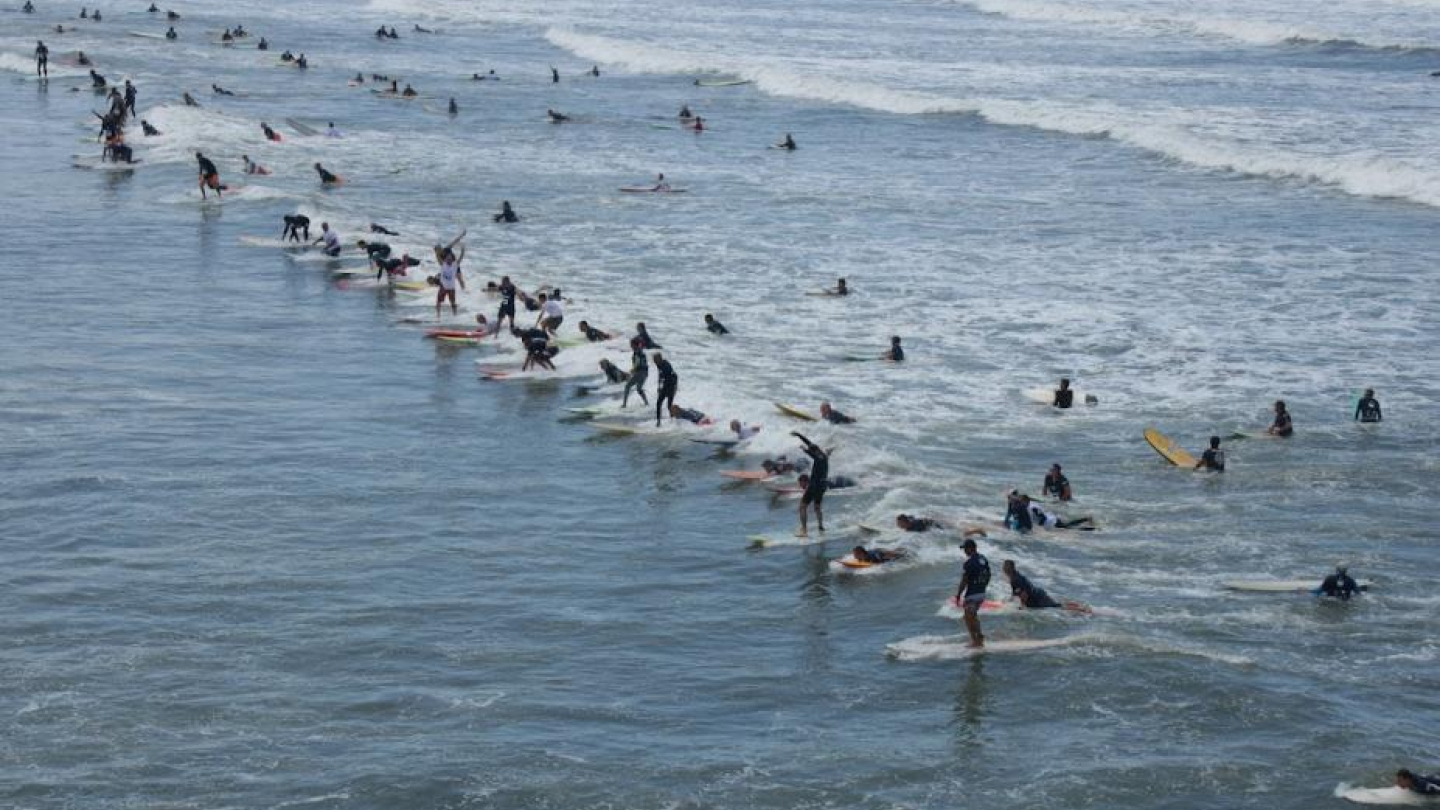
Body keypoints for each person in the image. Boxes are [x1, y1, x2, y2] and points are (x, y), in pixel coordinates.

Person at [1002, 560, 1090, 613]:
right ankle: (1079, 606)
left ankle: (1081, 609)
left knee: (1058, 607)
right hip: (1038, 594)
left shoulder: (1014, 579)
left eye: (1005, 568)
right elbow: (1018, 593)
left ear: (1006, 570)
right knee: (1058, 605)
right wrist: (1009, 601)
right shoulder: (1016, 575)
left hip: (1037, 599)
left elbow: (1024, 594)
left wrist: (1022, 607)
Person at [955, 538, 991, 648]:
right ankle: (979, 636)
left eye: (965, 549)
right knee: (973, 616)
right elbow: (988, 574)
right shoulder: (983, 559)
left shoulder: (969, 562)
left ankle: (975, 641)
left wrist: (958, 594)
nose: (964, 551)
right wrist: (983, 586)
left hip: (972, 594)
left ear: (971, 548)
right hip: (981, 592)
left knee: (968, 617)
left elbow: (964, 580)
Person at [791, 431, 829, 537]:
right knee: (817, 507)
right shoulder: (824, 456)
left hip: (814, 486)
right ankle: (821, 526)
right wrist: (799, 435)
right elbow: (810, 444)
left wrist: (805, 450)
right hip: (822, 486)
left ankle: (804, 530)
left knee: (802, 507)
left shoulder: (818, 458)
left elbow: (813, 455)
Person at [1021, 494, 1093, 530]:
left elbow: (1043, 518)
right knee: (1069, 527)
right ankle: (1086, 520)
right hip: (1051, 519)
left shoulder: (1033, 507)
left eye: (1022, 502)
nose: (1021, 503)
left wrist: (1040, 527)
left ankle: (1090, 526)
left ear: (1026, 501)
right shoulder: (1030, 505)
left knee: (1070, 528)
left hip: (1052, 522)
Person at [435, 246, 466, 317]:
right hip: (443, 287)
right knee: (438, 302)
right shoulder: (443, 264)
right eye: (447, 258)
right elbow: (438, 257)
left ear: (452, 259)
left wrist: (462, 252)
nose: (449, 259)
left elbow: (460, 259)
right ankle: (438, 316)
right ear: (445, 259)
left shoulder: (455, 265)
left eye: (450, 258)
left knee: (453, 303)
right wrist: (437, 251)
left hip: (451, 288)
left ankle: (455, 315)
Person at [622, 337, 649, 407]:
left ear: (634, 345)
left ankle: (624, 404)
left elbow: (637, 362)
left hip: (640, 372)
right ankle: (646, 403)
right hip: (645, 373)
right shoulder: (640, 351)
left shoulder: (637, 352)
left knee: (627, 386)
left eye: (631, 344)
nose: (630, 346)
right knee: (639, 389)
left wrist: (632, 371)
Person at [654, 352, 678, 427]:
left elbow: (672, 377)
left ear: (660, 359)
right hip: (666, 385)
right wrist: (659, 387)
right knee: (658, 403)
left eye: (655, 360)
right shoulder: (659, 364)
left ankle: (673, 421)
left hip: (671, 385)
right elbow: (660, 376)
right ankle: (658, 422)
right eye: (654, 360)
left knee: (669, 405)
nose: (654, 362)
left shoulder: (666, 366)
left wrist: (673, 388)